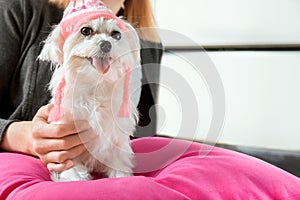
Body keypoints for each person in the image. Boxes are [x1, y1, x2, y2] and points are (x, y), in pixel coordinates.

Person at [0, 0, 162, 173]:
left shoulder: (149, 42)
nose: (104, 43)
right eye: (86, 32)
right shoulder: (19, 7)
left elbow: (141, 136)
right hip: (29, 169)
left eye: (115, 34)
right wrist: (20, 136)